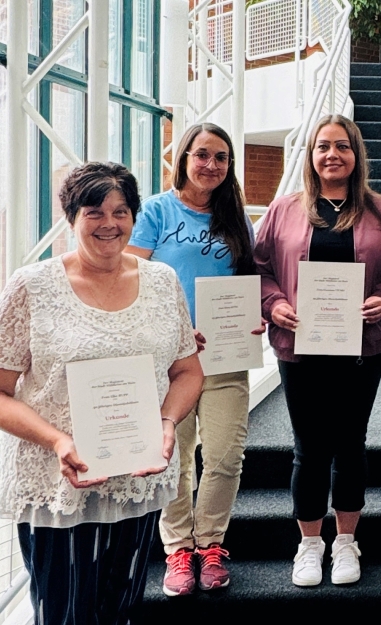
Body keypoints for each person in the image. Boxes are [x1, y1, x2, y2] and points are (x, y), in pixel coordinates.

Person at [0, 162, 204, 623]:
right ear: (71, 218)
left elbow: (188, 371)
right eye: (94, 212)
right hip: (59, 484)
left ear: (134, 217)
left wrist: (167, 422)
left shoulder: (161, 280)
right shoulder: (32, 285)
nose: (109, 224)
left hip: (137, 475)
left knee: (122, 609)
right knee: (64, 613)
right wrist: (58, 441)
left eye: (121, 211)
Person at [254, 114, 381, 587]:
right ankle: (309, 544)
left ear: (356, 154)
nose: (332, 154)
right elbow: (257, 267)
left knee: (350, 444)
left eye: (342, 146)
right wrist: (274, 304)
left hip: (362, 348)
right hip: (300, 348)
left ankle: (345, 543)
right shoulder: (283, 209)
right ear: (311, 155)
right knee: (309, 447)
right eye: (323, 147)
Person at [127, 122, 262, 596]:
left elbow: (249, 283)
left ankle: (211, 544)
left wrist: (256, 315)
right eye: (202, 154)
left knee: (225, 456)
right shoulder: (157, 212)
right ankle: (178, 549)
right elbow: (131, 280)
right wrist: (175, 330)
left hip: (226, 357)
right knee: (176, 458)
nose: (211, 165)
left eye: (221, 157)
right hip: (171, 361)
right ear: (183, 157)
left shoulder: (236, 217)